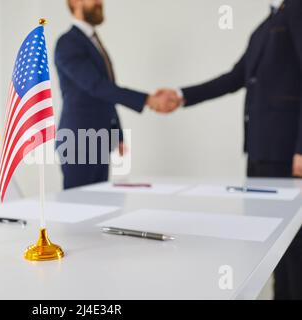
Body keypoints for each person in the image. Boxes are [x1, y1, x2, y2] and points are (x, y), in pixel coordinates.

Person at [158, 0, 302, 299]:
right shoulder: (265, 25)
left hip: (287, 154)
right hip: (259, 151)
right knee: (275, 246)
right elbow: (236, 77)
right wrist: (182, 96)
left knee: (296, 250)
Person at [55, 0, 171, 189]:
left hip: (98, 139)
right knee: (78, 209)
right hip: (79, 141)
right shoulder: (68, 43)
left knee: (98, 207)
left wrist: (116, 134)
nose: (100, 2)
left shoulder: (93, 41)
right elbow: (96, 86)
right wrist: (147, 99)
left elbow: (105, 92)